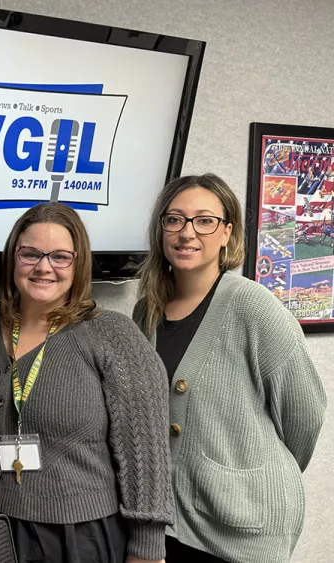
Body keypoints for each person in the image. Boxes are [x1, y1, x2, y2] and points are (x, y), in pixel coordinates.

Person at [0, 203, 172, 563]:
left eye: (60, 257)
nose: (43, 267)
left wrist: (147, 550)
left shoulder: (112, 336)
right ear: (12, 259)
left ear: (79, 263)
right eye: (30, 254)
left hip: (76, 541)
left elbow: (146, 455)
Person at [133, 174, 327, 563]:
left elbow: (305, 416)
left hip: (243, 527)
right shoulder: (147, 312)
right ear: (161, 231)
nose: (187, 233)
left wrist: (250, 473)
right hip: (174, 523)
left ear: (227, 234)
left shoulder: (252, 307)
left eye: (204, 221)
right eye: (174, 219)